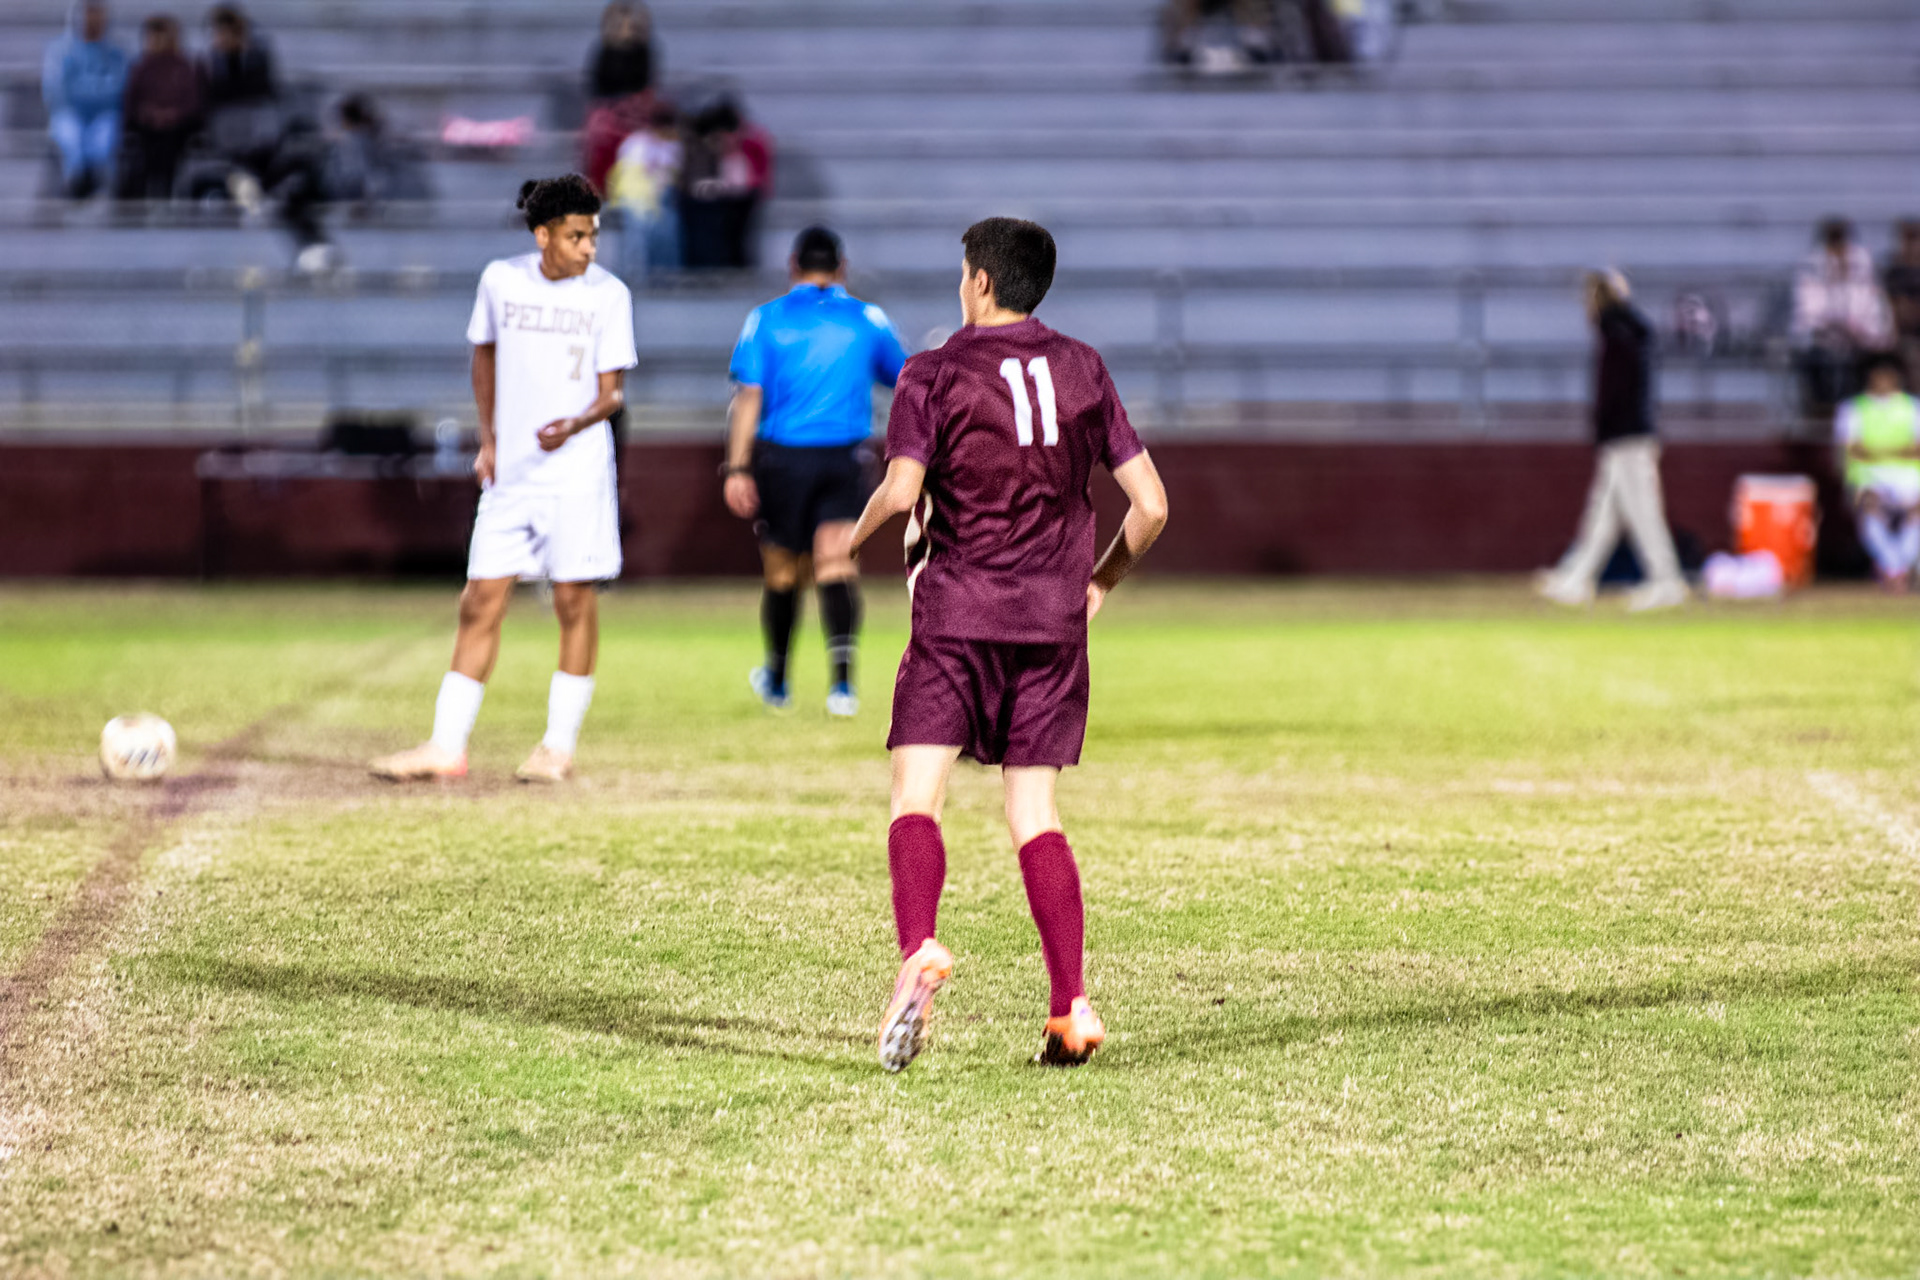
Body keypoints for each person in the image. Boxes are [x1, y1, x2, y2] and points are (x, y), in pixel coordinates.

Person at [847, 218, 1170, 1073]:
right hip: (1051, 623)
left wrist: (851, 539)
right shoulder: (1083, 367)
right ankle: (1071, 1006)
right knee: (1034, 813)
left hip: (954, 616)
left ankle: (919, 947)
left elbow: (902, 490)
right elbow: (1152, 506)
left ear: (980, 282)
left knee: (916, 798)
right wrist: (1099, 585)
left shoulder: (934, 372)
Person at [370, 176, 636, 784]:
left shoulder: (609, 295)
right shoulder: (501, 281)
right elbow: (484, 355)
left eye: (593, 236)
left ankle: (557, 747)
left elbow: (612, 395)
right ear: (543, 235)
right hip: (512, 477)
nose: (589, 248)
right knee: (479, 601)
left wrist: (573, 424)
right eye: (576, 236)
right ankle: (446, 747)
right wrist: (489, 439)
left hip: (576, 476)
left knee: (572, 601)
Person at [724, 227, 907, 717]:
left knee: (783, 567)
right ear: (841, 266)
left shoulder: (765, 320)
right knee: (837, 562)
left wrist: (737, 467)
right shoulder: (868, 319)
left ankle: (778, 681)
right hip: (844, 456)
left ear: (793, 264)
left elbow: (749, 397)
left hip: (782, 458)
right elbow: (906, 381)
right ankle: (842, 687)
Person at [1536, 270, 1689, 612]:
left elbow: (1615, 393)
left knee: (1643, 513)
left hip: (1627, 439)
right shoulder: (1628, 332)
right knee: (1602, 516)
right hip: (1627, 436)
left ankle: (1666, 580)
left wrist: (1604, 427)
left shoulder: (1618, 336)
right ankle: (1577, 577)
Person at [1792, 217, 1895, 418]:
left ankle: (1861, 414)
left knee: (1873, 361)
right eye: (1833, 241)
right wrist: (1836, 322)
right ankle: (1823, 415)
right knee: (1816, 361)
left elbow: (1873, 307)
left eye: (1842, 240)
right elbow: (1809, 313)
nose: (1838, 249)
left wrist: (1861, 330)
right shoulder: (1811, 267)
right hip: (1823, 342)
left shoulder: (1863, 265)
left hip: (1861, 342)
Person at [1835, 354, 1920, 589]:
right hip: (1868, 476)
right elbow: (1853, 449)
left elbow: (1916, 450)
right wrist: (1897, 450)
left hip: (1908, 477)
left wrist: (1874, 451)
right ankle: (1893, 567)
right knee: (1870, 509)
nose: (1883, 380)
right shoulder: (1853, 408)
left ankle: (1901, 566)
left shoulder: (1912, 407)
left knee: (1916, 511)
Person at [42, 1, 128, 200]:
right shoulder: (61, 51)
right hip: (69, 113)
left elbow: (120, 89)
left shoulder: (115, 54)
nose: (93, 23)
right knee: (71, 137)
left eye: (98, 18)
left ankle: (98, 186)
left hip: (104, 114)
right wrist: (93, 93)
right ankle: (75, 184)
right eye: (89, 18)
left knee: (105, 139)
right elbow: (56, 91)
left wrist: (90, 94)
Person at [679, 98, 772, 270]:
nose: (726, 140)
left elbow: (757, 185)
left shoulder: (748, 153)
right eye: (720, 137)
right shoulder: (702, 156)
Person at [117, 12, 200, 202]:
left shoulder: (184, 67)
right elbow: (131, 101)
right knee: (142, 151)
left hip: (177, 127)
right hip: (147, 126)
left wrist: (173, 115)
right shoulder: (140, 67)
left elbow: (193, 102)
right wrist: (148, 114)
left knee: (169, 147)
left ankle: (166, 195)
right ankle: (135, 201)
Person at [607, 102, 683, 282]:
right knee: (636, 243)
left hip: (658, 200)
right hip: (636, 199)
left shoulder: (671, 145)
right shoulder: (637, 143)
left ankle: (662, 279)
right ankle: (636, 280)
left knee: (662, 241)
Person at [1881, 220, 1920, 385]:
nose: (1912, 245)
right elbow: (1898, 308)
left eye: (1915, 239)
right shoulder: (1895, 272)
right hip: (1904, 335)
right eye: (1907, 239)